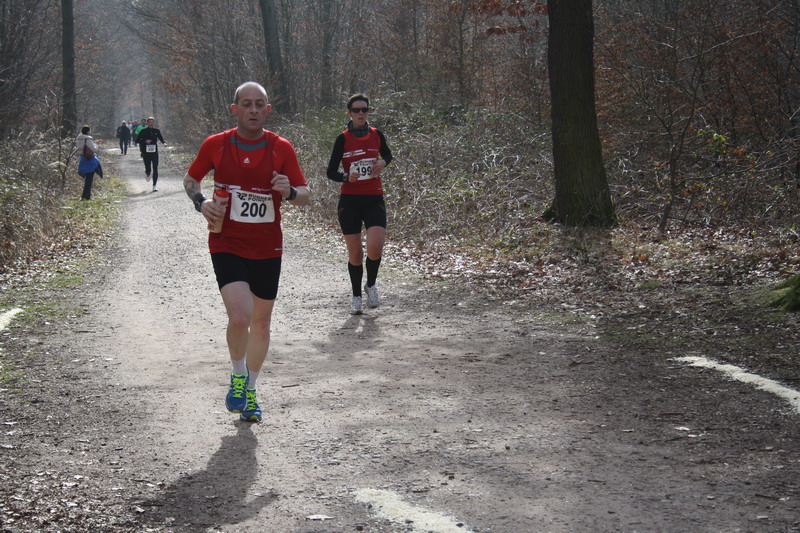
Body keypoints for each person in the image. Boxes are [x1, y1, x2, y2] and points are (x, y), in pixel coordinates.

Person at [182, 81, 310, 423]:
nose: (253, 109)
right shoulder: (216, 144)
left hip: (267, 246)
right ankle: (237, 377)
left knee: (261, 324)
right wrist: (201, 202)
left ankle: (251, 391)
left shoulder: (281, 147)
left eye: (259, 104)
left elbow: (305, 193)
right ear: (235, 109)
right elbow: (191, 180)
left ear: (267, 109)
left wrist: (290, 191)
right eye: (246, 104)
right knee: (240, 318)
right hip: (227, 242)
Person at [326, 93, 393, 315]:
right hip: (350, 201)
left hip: (374, 198)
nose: (361, 113)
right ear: (349, 113)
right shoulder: (342, 139)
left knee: (375, 246)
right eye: (356, 110)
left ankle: (370, 285)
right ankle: (356, 296)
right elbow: (331, 172)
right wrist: (346, 177)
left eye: (364, 109)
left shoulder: (376, 135)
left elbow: (388, 155)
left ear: (368, 111)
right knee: (355, 253)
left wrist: (382, 163)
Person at [136, 117, 166, 192]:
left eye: (152, 122)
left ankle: (154, 185)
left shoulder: (156, 131)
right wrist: (145, 141)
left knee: (155, 168)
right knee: (148, 168)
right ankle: (147, 173)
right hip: (146, 153)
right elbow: (137, 140)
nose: (151, 123)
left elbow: (161, 138)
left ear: (154, 123)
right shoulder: (143, 131)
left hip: (154, 152)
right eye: (150, 122)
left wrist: (164, 143)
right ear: (147, 123)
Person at [75, 125, 103, 200]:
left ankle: (85, 195)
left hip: (83, 158)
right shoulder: (87, 139)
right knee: (89, 178)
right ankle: (86, 196)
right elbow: (94, 149)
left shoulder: (79, 139)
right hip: (89, 159)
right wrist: (96, 144)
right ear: (88, 131)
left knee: (87, 178)